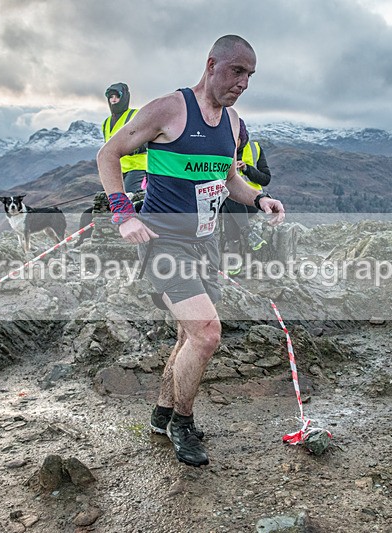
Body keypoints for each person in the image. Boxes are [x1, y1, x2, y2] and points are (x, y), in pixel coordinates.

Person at [97, 35, 285, 467]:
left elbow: (228, 179)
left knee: (188, 335)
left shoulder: (234, 124)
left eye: (250, 76)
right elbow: (108, 154)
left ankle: (162, 414)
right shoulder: (170, 109)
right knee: (207, 333)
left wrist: (258, 199)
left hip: (207, 243)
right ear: (211, 64)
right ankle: (183, 423)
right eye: (237, 71)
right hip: (163, 243)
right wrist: (124, 213)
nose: (243, 83)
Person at [76, 83, 147, 245]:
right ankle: (103, 237)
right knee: (110, 203)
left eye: (117, 96)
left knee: (128, 200)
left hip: (138, 167)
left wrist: (136, 147)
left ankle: (132, 239)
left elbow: (149, 139)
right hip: (117, 170)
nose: (114, 100)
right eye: (111, 97)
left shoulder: (136, 115)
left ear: (125, 97)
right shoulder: (106, 123)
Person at [220, 118, 271, 268]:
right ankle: (248, 234)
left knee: (229, 205)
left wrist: (247, 169)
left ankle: (234, 258)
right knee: (228, 199)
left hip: (251, 202)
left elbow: (266, 179)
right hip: (223, 200)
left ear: (241, 136)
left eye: (234, 137)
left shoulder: (255, 148)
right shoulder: (221, 149)